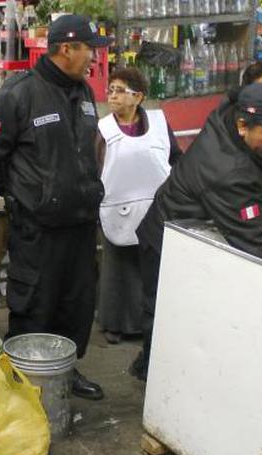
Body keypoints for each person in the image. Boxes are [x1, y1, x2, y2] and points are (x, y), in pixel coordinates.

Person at [132, 82, 262, 381]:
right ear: (243, 125)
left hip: (196, 229)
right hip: (167, 239)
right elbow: (256, 241)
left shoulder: (232, 114)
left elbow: (236, 93)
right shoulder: (228, 171)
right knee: (166, 316)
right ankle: (156, 380)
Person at [0, 14, 107, 400]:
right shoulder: (18, 94)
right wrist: (22, 197)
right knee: (35, 304)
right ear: (67, 48)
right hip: (38, 229)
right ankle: (21, 383)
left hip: (80, 222)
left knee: (75, 304)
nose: (93, 59)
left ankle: (63, 372)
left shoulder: (82, 94)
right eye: (89, 50)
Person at [95, 67, 182, 345]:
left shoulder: (158, 123)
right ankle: (114, 323)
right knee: (117, 268)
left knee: (150, 266)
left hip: (155, 206)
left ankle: (150, 321)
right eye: (111, 90)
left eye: (120, 90)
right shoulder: (104, 129)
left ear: (139, 96)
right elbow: (94, 166)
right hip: (115, 208)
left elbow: (175, 157)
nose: (113, 96)